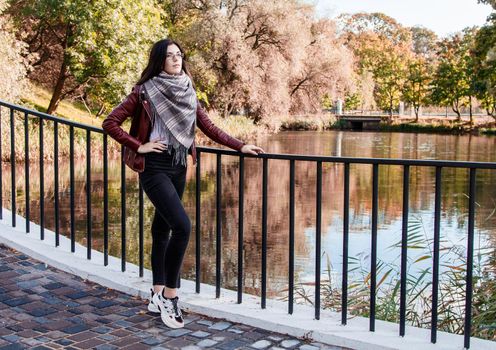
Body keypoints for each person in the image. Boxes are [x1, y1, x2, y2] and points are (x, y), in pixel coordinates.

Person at [102, 38, 264, 329]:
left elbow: (208, 126)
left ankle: (155, 292)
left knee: (162, 228)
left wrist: (239, 146)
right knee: (183, 226)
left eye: (179, 55)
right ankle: (170, 296)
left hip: (178, 166)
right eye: (170, 56)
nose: (176, 59)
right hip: (154, 168)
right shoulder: (144, 92)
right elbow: (110, 122)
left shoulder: (188, 89)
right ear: (159, 61)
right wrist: (138, 146)